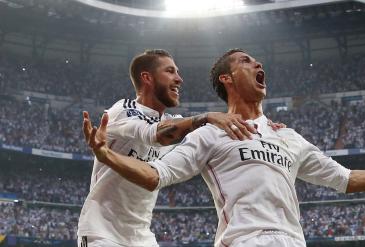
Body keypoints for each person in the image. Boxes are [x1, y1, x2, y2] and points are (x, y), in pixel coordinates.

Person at [83, 49, 365, 247]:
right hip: (242, 241)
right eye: (246, 61)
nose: (258, 64)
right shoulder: (206, 133)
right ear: (227, 79)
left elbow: (345, 178)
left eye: (257, 61)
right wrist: (106, 154)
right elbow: (156, 174)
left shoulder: (287, 136)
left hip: (293, 241)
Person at [77, 49, 263, 247]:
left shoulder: (173, 122)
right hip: (102, 232)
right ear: (147, 77)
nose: (179, 79)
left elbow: (211, 135)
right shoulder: (123, 109)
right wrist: (207, 116)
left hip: (142, 237)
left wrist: (269, 128)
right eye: (170, 71)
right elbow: (155, 135)